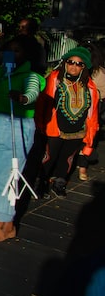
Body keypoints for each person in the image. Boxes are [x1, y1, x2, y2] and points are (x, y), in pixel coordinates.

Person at [0, 35, 44, 242]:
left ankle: (9, 226)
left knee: (9, 176)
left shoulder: (30, 75)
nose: (13, 54)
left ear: (26, 54)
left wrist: (22, 98)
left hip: (15, 126)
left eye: (18, 51)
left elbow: (32, 92)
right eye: (10, 50)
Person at [34, 47, 100, 198]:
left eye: (79, 64)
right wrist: (40, 124)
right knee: (48, 157)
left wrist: (90, 136)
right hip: (55, 128)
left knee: (67, 159)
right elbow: (43, 102)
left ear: (84, 67)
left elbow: (92, 113)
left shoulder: (90, 87)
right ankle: (40, 183)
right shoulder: (54, 79)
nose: (74, 66)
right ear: (65, 63)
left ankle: (59, 183)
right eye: (70, 62)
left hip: (77, 131)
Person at [76, 42, 105, 181]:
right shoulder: (100, 72)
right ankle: (82, 168)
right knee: (87, 139)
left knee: (86, 139)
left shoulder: (98, 73)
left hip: (89, 112)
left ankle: (81, 167)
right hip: (88, 111)